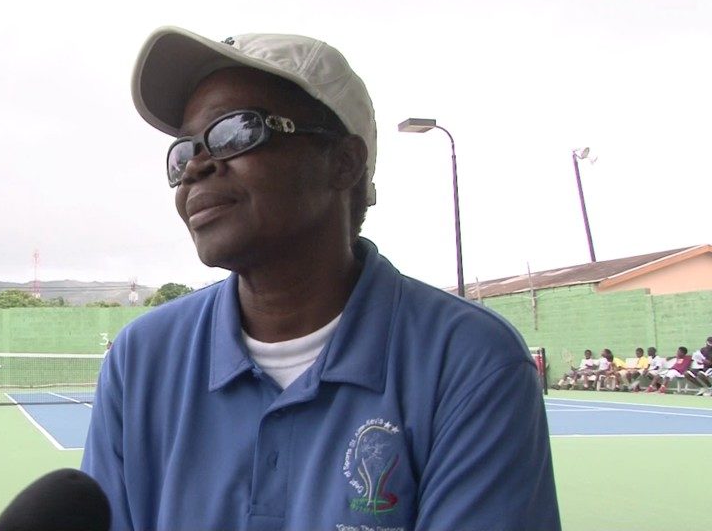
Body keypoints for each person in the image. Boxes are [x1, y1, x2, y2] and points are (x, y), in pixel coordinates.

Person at [81, 27, 560, 530]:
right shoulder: (142, 360)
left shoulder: (469, 362)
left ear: (344, 162)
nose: (197, 166)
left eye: (235, 131)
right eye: (183, 153)